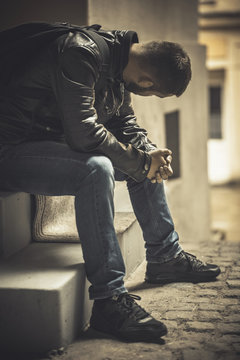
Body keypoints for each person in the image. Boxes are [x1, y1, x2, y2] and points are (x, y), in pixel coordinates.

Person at [0, 22, 220, 342]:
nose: (147, 93)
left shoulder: (118, 63)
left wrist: (150, 154)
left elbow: (123, 123)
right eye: (154, 92)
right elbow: (84, 133)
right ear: (146, 82)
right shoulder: (80, 53)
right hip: (11, 148)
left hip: (45, 145)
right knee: (97, 168)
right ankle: (109, 301)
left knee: (142, 158)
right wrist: (143, 161)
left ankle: (166, 257)